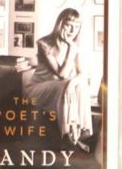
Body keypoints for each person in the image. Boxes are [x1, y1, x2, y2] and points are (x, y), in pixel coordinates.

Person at [26, 8, 93, 151]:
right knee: (66, 84)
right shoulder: (44, 43)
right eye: (69, 25)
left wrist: (72, 83)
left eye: (77, 26)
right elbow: (61, 74)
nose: (73, 30)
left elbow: (82, 74)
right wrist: (71, 49)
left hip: (61, 88)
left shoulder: (75, 46)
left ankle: (77, 136)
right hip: (38, 90)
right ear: (61, 24)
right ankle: (69, 138)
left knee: (80, 86)